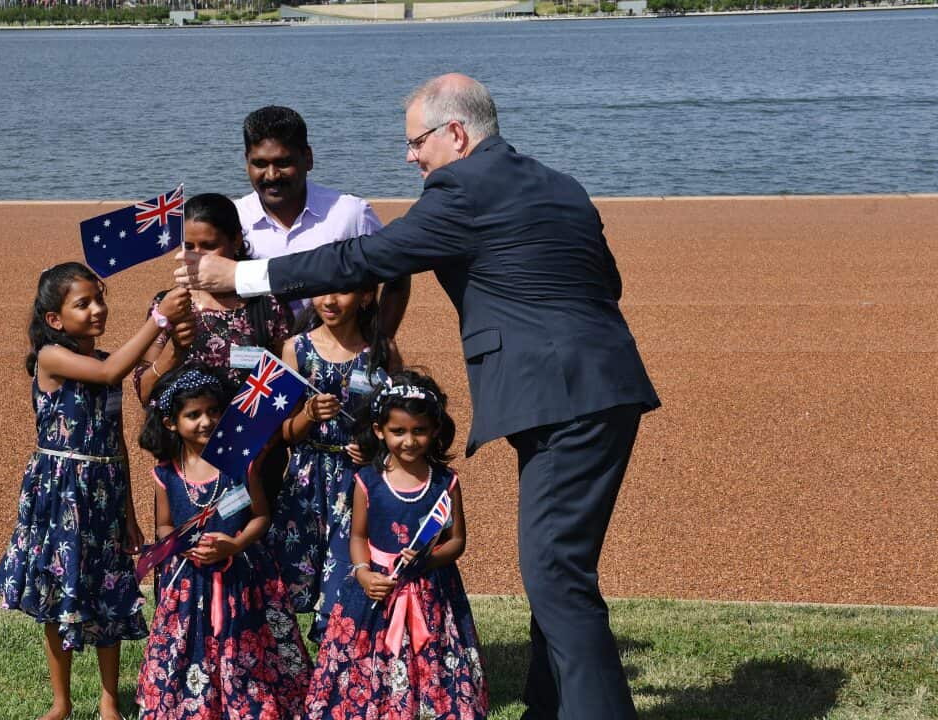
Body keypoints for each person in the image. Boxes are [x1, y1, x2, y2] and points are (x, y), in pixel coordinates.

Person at [176, 74, 661, 720]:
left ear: (456, 133)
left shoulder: (462, 189)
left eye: (416, 142)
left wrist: (242, 275)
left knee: (556, 575)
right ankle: (548, 707)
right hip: (602, 388)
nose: (410, 157)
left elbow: (363, 260)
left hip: (559, 399)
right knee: (560, 569)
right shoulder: (560, 185)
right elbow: (607, 282)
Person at [0, 262, 191, 720]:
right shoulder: (51, 357)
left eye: (99, 299)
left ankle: (108, 699)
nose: (97, 309)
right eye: (83, 304)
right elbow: (111, 371)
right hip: (61, 491)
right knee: (58, 593)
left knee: (109, 590)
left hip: (104, 490)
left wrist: (129, 514)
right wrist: (158, 318)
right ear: (54, 319)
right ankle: (61, 702)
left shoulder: (105, 362)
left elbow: (117, 438)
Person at [306, 369, 488, 720]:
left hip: (431, 588)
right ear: (379, 430)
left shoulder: (446, 482)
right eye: (398, 431)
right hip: (375, 588)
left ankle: (431, 703)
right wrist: (362, 573)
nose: (409, 441)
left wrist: (428, 559)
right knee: (366, 657)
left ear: (435, 429)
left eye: (419, 431)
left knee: (435, 652)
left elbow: (457, 541)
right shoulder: (367, 480)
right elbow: (358, 537)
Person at [135, 363, 312, 720]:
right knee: (189, 642)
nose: (206, 421)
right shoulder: (166, 473)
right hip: (189, 580)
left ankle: (247, 700)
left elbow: (261, 517)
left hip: (243, 577)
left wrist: (234, 544)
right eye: (193, 414)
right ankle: (195, 703)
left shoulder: (241, 465)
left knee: (246, 641)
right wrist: (183, 546)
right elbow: (164, 525)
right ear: (171, 422)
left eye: (214, 411)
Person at [271, 286, 401, 638]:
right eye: (322, 292)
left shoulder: (381, 351)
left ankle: (338, 658)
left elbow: (397, 422)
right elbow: (284, 432)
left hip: (357, 484)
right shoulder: (295, 348)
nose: (329, 301)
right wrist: (309, 414)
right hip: (306, 481)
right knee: (292, 572)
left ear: (365, 297)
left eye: (342, 292)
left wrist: (373, 451)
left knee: (345, 576)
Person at [237, 105, 411, 335]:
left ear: (308, 158)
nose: (271, 175)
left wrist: (383, 337)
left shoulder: (349, 213)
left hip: (336, 354)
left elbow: (398, 270)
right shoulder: (234, 218)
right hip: (259, 355)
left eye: (283, 163)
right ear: (246, 162)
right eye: (259, 164)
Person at [133, 192, 292, 407]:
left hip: (247, 426)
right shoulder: (171, 305)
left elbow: (287, 384)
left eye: (208, 246)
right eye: (189, 246)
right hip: (183, 428)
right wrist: (174, 352)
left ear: (236, 241)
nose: (196, 256)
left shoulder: (267, 304)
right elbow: (145, 393)